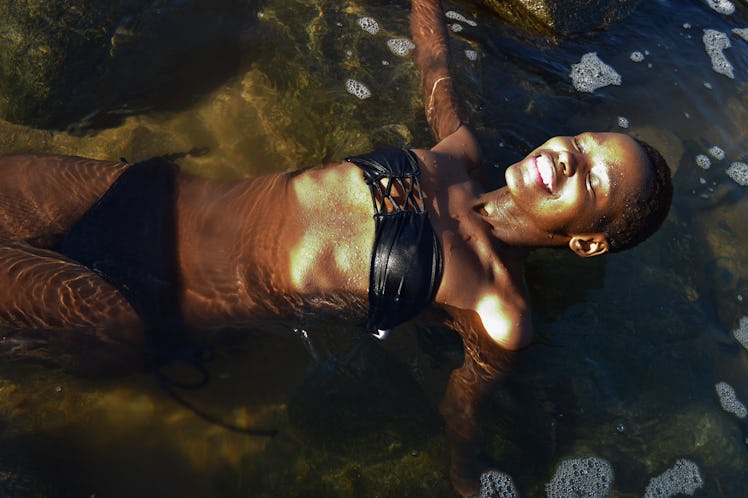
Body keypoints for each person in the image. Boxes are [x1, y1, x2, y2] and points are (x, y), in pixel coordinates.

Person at [0, 0, 672, 495]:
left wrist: (469, 481)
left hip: (143, 300)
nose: (562, 156)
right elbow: (437, 71)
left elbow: (462, 409)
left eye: (589, 176)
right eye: (580, 144)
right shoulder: (459, 155)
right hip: (142, 195)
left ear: (587, 242)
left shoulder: (501, 311)